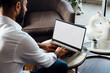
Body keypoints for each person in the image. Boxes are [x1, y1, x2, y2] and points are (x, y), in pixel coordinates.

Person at [0, 0, 68, 73]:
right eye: (25, 5)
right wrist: (56, 53)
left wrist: (40, 45)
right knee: (61, 65)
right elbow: (46, 62)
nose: (26, 9)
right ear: (17, 6)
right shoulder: (19, 37)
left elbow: (13, 45)